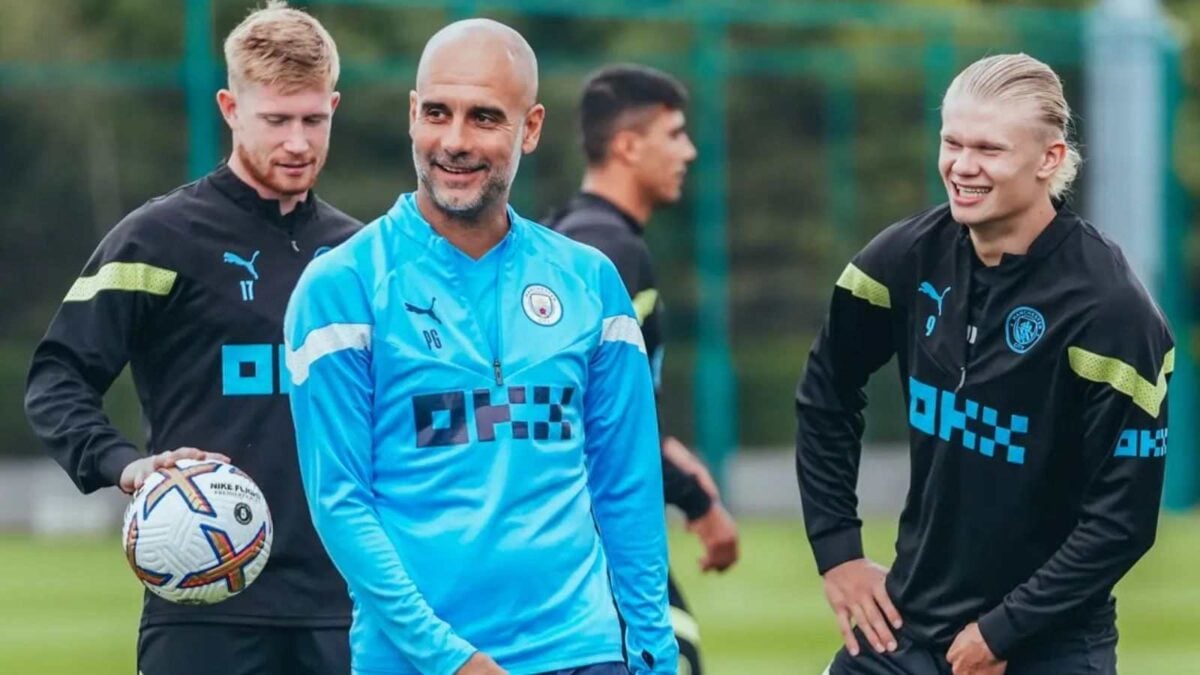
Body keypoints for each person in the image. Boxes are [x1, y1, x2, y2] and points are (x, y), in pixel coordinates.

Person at [284, 18, 677, 675]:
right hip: (415, 661)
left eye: (485, 117)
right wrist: (450, 658)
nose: (455, 140)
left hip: (583, 653)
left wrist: (653, 653)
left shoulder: (590, 283)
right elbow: (341, 503)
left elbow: (627, 486)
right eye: (437, 112)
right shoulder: (342, 287)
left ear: (531, 127)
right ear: (413, 116)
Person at [795, 53, 1171, 675]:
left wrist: (1002, 631)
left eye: (990, 150)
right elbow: (827, 391)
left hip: (1047, 645)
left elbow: (1122, 521)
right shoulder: (904, 258)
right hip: (904, 633)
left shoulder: (1110, 310)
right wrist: (837, 550)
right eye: (952, 143)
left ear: (1049, 159)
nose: (963, 167)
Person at [24, 3, 358, 673]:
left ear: (334, 108)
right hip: (204, 602)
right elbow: (57, 378)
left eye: (313, 120)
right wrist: (124, 463)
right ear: (231, 107)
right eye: (277, 120)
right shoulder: (159, 238)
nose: (298, 142)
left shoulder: (360, 254)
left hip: (344, 605)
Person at [547, 63, 739, 675]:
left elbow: (607, 396)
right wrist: (697, 503)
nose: (689, 150)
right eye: (675, 133)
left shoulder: (570, 234)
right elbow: (589, 420)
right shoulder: (611, 253)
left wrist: (669, 447)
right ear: (629, 146)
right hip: (591, 537)